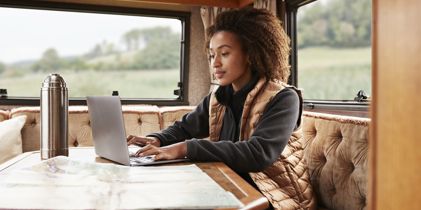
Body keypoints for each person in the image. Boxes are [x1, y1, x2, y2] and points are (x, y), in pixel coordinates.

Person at [127, 7, 306, 209]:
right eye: (212, 55)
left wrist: (184, 148)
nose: (215, 63)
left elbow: (258, 153)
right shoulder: (219, 96)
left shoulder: (284, 98)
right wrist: (158, 139)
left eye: (225, 53)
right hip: (232, 185)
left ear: (250, 54)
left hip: (277, 197)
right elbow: (186, 127)